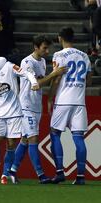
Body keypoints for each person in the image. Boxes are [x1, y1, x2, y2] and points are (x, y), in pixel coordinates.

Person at [8, 35, 66, 184]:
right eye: (44, 48)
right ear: (36, 47)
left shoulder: (41, 62)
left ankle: (12, 171)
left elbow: (42, 82)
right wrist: (53, 74)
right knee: (33, 139)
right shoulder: (27, 62)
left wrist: (53, 77)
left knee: (25, 139)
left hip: (36, 106)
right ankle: (41, 175)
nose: (47, 51)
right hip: (25, 105)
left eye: (48, 48)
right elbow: (37, 84)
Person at [0, 46, 39, 185]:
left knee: (11, 145)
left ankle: (5, 175)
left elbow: (26, 73)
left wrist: (34, 82)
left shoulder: (8, 66)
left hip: (14, 113)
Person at [48, 27, 92, 185]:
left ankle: (59, 171)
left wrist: (50, 98)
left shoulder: (59, 55)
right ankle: (80, 176)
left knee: (54, 133)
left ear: (60, 38)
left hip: (63, 101)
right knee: (79, 138)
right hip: (79, 102)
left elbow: (57, 79)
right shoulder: (85, 56)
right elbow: (90, 79)